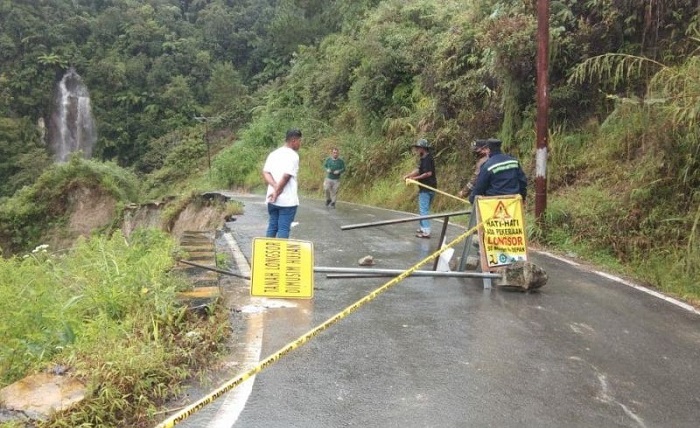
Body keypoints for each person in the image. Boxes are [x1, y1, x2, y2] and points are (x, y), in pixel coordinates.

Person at [262, 129, 302, 238]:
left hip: (271, 199)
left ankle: (268, 254)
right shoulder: (293, 155)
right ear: (293, 140)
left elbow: (266, 172)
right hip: (287, 201)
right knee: (283, 229)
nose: (300, 144)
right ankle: (281, 255)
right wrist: (278, 191)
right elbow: (286, 176)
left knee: (272, 226)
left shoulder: (273, 154)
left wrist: (274, 189)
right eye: (299, 141)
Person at [468, 138, 527, 204]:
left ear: (488, 150)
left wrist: (472, 199)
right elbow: (522, 182)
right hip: (514, 202)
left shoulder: (487, 166)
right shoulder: (514, 161)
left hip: (495, 204)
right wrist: (523, 197)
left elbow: (480, 187)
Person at [403, 138, 437, 238]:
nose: (417, 149)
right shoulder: (425, 158)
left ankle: (426, 231)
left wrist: (414, 178)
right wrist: (409, 175)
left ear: (423, 148)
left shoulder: (427, 159)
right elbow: (419, 170)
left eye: (418, 147)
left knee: (424, 210)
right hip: (430, 187)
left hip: (427, 188)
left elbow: (428, 173)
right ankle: (423, 227)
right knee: (424, 209)